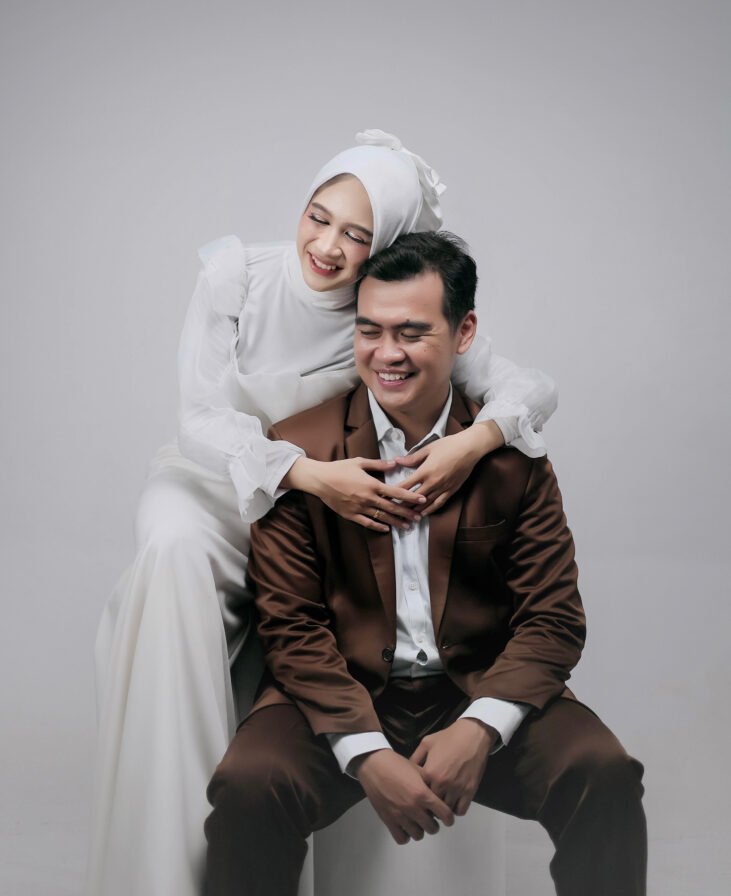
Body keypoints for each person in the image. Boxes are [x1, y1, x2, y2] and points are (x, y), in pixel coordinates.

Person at [87, 131, 558, 896]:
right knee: (170, 550)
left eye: (356, 235)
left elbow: (531, 388)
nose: (328, 246)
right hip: (214, 488)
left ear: (385, 245)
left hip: (313, 513)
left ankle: (267, 819)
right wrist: (305, 473)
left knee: (342, 599)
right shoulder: (236, 276)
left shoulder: (385, 307)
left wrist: (469, 445)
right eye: (318, 216)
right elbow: (198, 420)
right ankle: (161, 857)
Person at [205, 231, 647, 896]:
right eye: (369, 331)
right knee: (248, 784)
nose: (386, 353)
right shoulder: (297, 450)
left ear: (463, 332)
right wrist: (364, 751)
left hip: (479, 683)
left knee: (603, 773)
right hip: (337, 688)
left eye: (411, 333)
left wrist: (480, 727)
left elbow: (553, 619)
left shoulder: (511, 457)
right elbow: (290, 628)